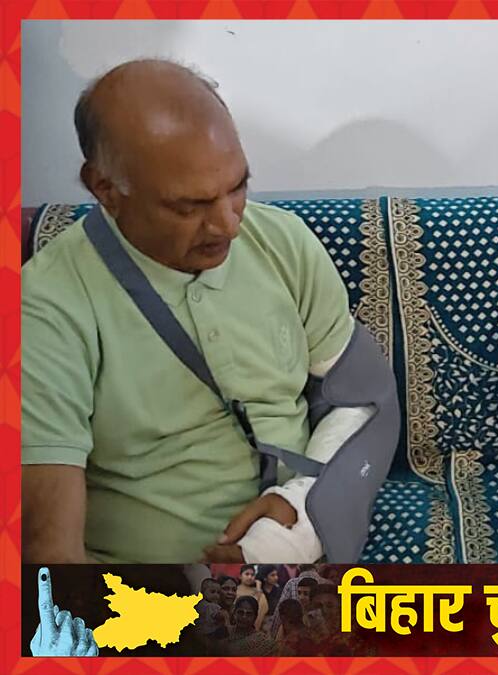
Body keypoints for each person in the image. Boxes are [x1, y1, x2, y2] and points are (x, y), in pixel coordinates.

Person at [20, 59, 383, 564]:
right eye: (189, 206)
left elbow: (367, 402)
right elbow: (51, 556)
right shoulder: (43, 311)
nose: (229, 225)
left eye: (237, 187)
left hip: (303, 549)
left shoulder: (283, 241)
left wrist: (300, 519)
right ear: (105, 189)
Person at [234, 564, 268, 630]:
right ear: (240, 576)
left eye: (252, 575)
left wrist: (258, 589)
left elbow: (261, 608)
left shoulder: (258, 592)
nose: (250, 577)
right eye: (247, 574)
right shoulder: (235, 590)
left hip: (254, 627)